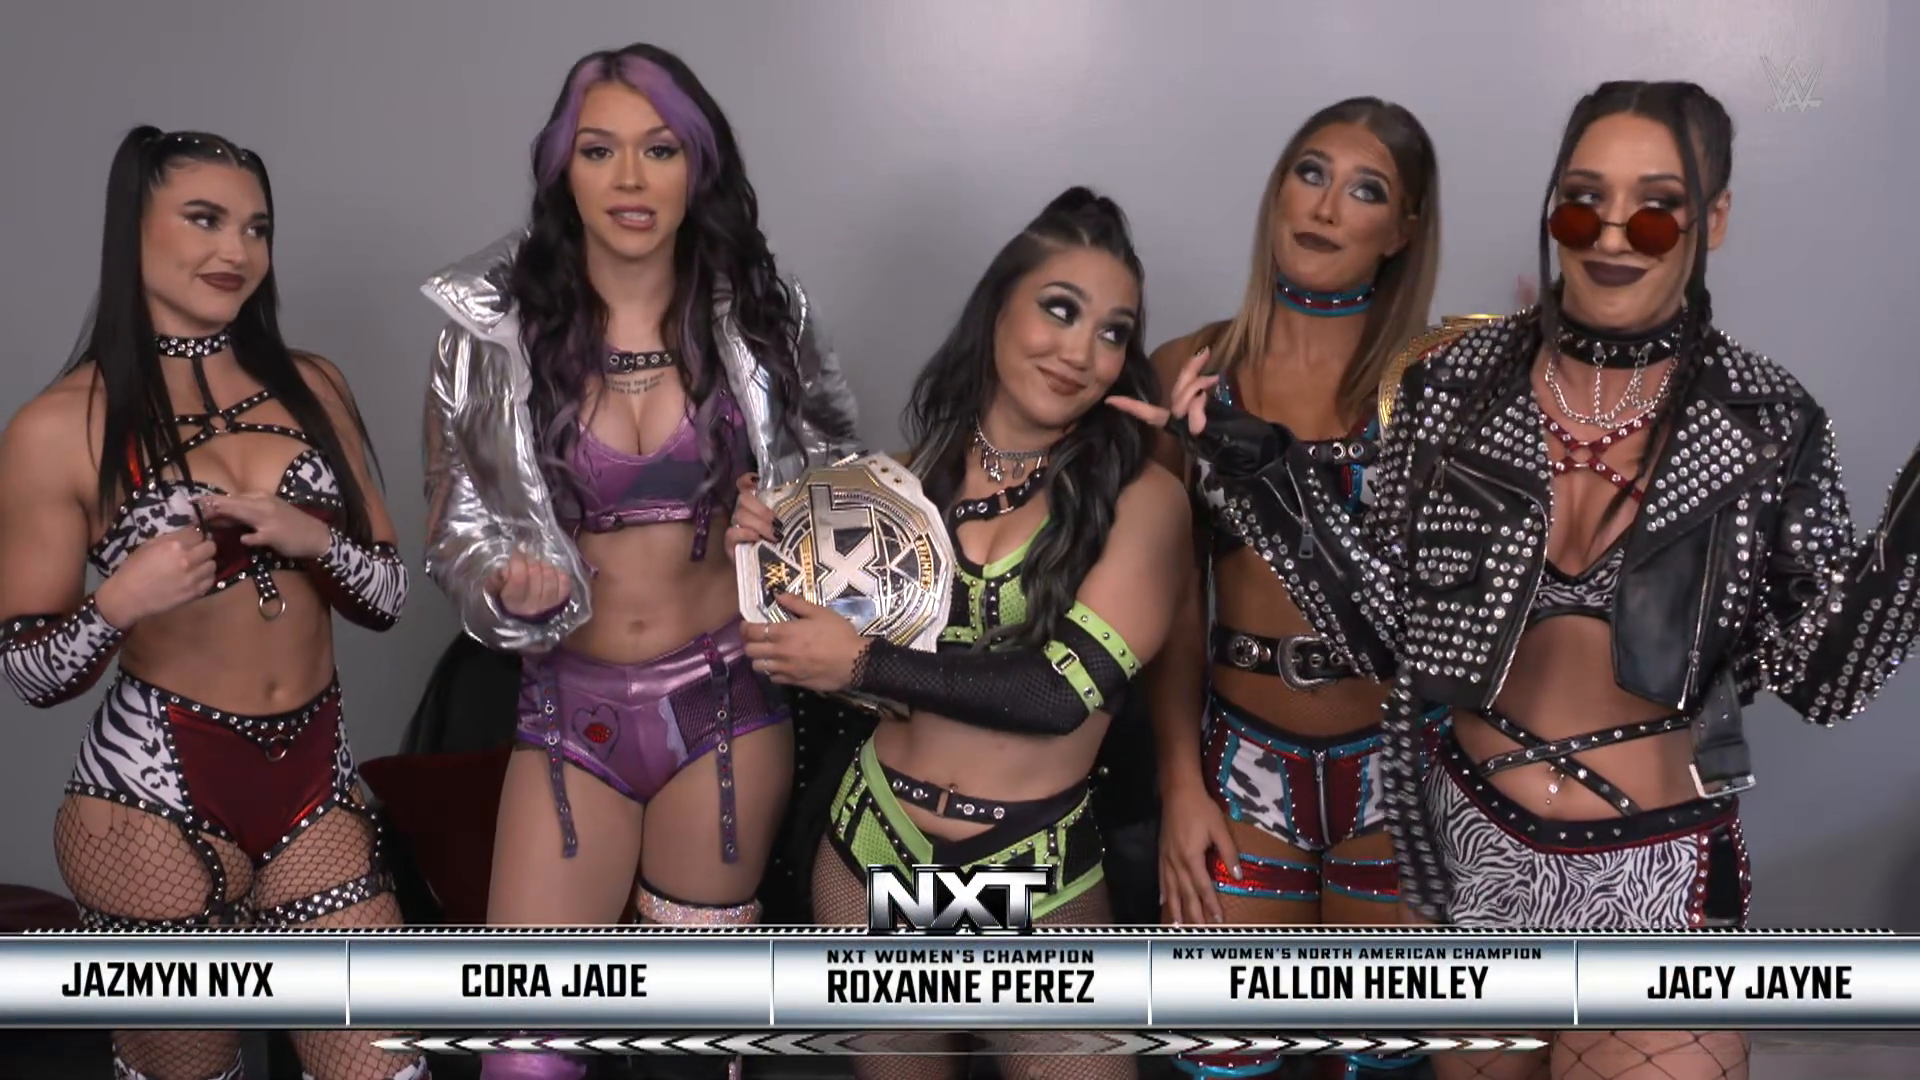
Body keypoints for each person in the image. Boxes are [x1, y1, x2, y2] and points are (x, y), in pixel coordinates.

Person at [1119, 79, 1920, 1080]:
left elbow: (1825, 681)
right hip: (1470, 858)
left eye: (1656, 208)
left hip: (1650, 873)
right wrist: (1263, 477)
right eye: (1583, 202)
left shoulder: (1764, 419)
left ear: (1712, 220)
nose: (1612, 235)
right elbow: (1384, 636)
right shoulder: (1454, 386)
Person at [419, 41, 860, 1080]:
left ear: (698, 166)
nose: (629, 179)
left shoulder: (763, 317)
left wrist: (783, 523)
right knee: (526, 1052)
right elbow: (454, 522)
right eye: (598, 150)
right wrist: (504, 582)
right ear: (561, 169)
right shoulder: (490, 330)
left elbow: (843, 496)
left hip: (725, 710)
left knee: (687, 1054)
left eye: (659, 150)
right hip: (569, 711)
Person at [733, 186, 1187, 1080]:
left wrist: (863, 660)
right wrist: (760, 549)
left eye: (1113, 332)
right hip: (875, 845)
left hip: (1026, 860)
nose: (1081, 351)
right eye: (1060, 310)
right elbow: (796, 646)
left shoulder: (1143, 500)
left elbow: (1057, 697)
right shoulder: (901, 480)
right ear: (997, 310)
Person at [0, 127, 419, 1080]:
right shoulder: (59, 425)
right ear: (133, 229)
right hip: (146, 800)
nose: (237, 250)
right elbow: (28, 672)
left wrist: (315, 539)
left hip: (313, 784)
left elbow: (390, 595)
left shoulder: (313, 386)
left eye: (256, 228)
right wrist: (119, 602)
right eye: (204, 219)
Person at [1143, 95, 1442, 1080]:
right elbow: (1173, 601)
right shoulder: (1194, 368)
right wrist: (1180, 785)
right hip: (1242, 769)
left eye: (1366, 190)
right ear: (1278, 190)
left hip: (1398, 773)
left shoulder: (1437, 377)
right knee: (1227, 1059)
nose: (1325, 206)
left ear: (1401, 232)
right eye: (1310, 173)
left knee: (1375, 1061)